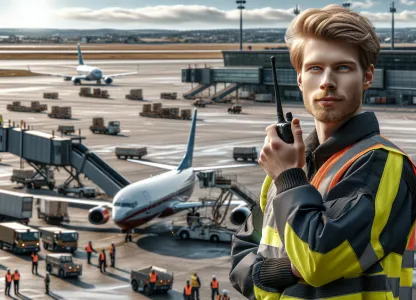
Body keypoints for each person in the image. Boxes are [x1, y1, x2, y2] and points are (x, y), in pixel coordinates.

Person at [230, 4, 416, 300]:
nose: (327, 81)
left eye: (343, 67)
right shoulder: (290, 164)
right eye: (315, 68)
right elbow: (241, 259)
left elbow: (319, 260)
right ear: (301, 79)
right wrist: (280, 272)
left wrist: (289, 178)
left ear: (367, 77)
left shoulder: (383, 165)